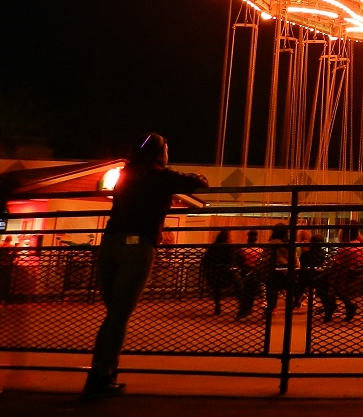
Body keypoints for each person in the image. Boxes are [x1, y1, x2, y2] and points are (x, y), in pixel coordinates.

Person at [84, 133, 206, 398]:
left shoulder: (125, 176)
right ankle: (100, 377)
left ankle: (100, 372)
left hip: (110, 244)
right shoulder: (158, 176)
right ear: (159, 153)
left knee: (113, 316)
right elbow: (197, 184)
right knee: (118, 317)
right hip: (137, 245)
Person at [324, 226, 363, 322]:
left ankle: (331, 306)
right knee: (326, 280)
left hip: (343, 276)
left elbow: (338, 267)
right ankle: (337, 305)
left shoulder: (344, 248)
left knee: (321, 281)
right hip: (355, 275)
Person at [201, 231, 239, 316]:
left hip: (213, 275)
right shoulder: (230, 249)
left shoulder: (212, 248)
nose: (233, 239)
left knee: (216, 288)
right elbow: (232, 261)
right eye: (231, 237)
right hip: (226, 274)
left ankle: (217, 304)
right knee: (239, 281)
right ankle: (241, 304)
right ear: (227, 238)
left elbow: (206, 261)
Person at [235, 230, 264, 320]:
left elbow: (239, 260)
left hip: (245, 271)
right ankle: (250, 307)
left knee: (246, 289)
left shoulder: (243, 249)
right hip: (256, 272)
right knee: (253, 289)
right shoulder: (260, 250)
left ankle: (245, 308)